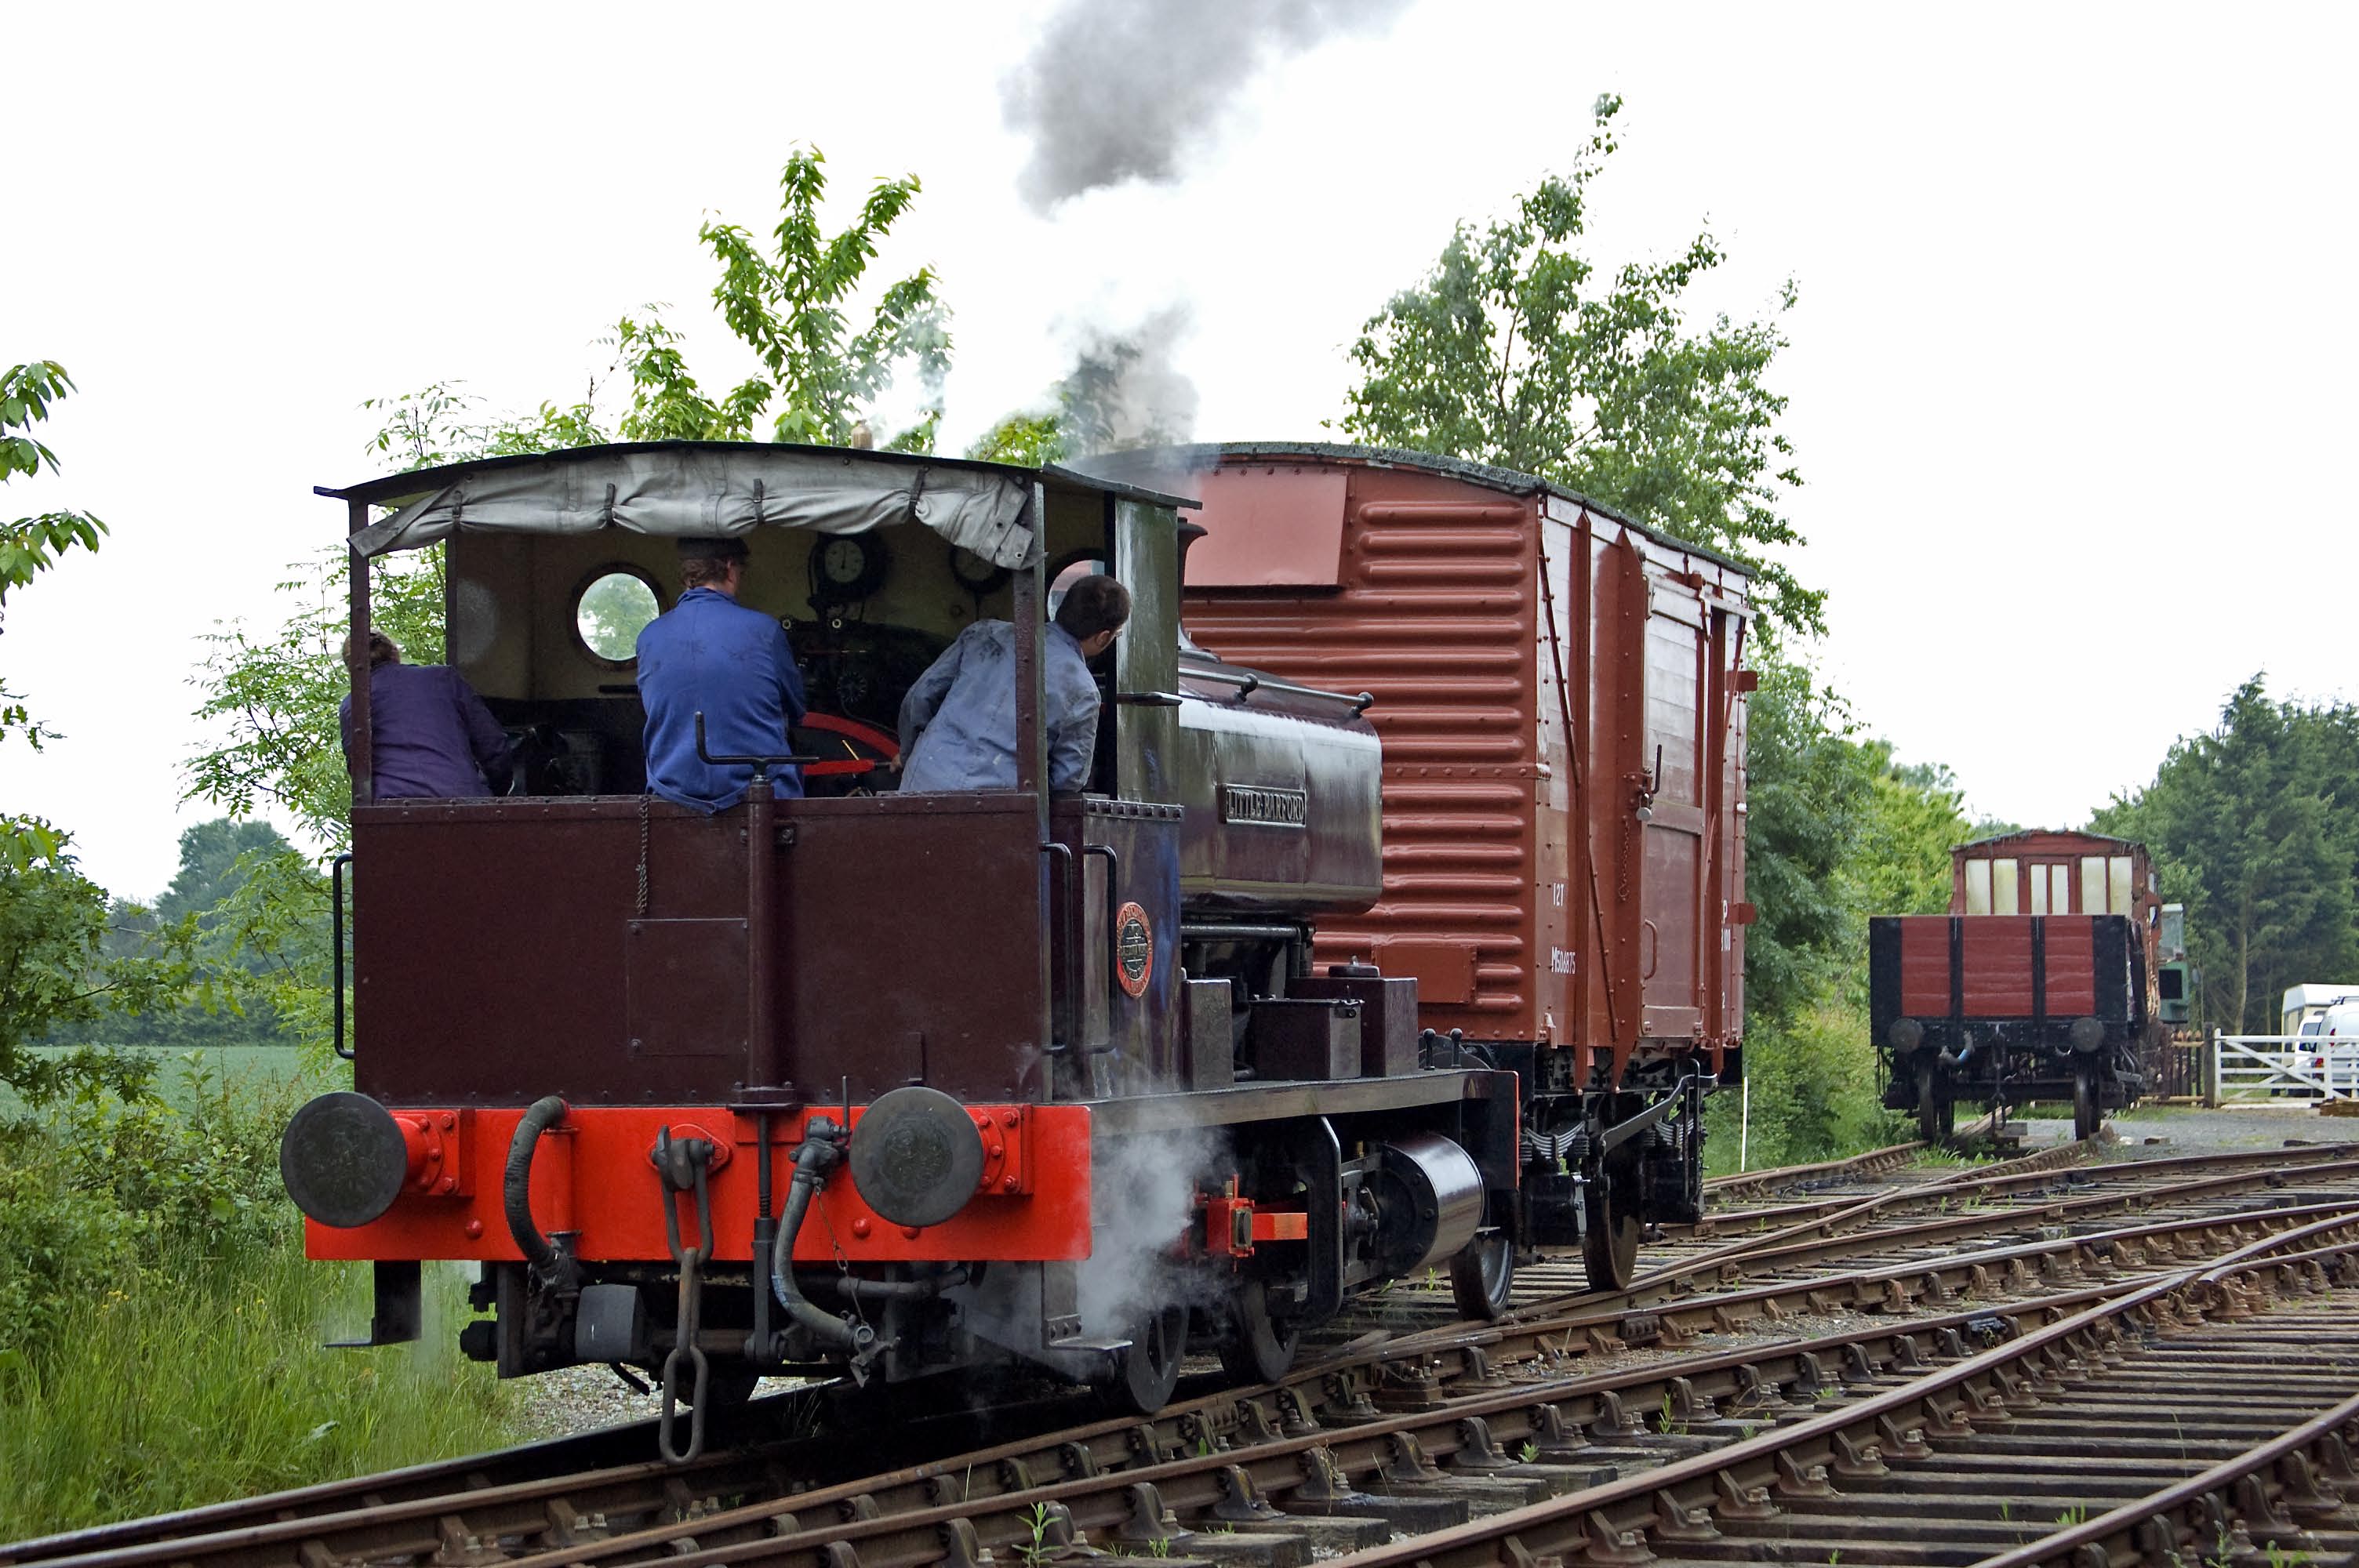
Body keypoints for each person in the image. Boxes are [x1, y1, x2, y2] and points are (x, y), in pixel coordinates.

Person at [897, 574, 1131, 794]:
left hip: (922, 783)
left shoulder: (984, 633)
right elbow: (1068, 778)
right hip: (997, 807)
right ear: (1103, 637)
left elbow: (918, 698)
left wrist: (911, 756)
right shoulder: (1083, 691)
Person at [635, 535, 807, 811]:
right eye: (741, 571)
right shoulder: (765, 630)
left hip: (671, 796)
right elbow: (796, 708)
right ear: (729, 568)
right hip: (763, 796)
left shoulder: (648, 637)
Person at [339, 630, 514, 799]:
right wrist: (491, 796)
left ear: (351, 669)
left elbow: (359, 772)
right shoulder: (442, 678)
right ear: (395, 653)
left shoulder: (352, 705)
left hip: (391, 807)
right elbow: (493, 745)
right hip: (463, 799)